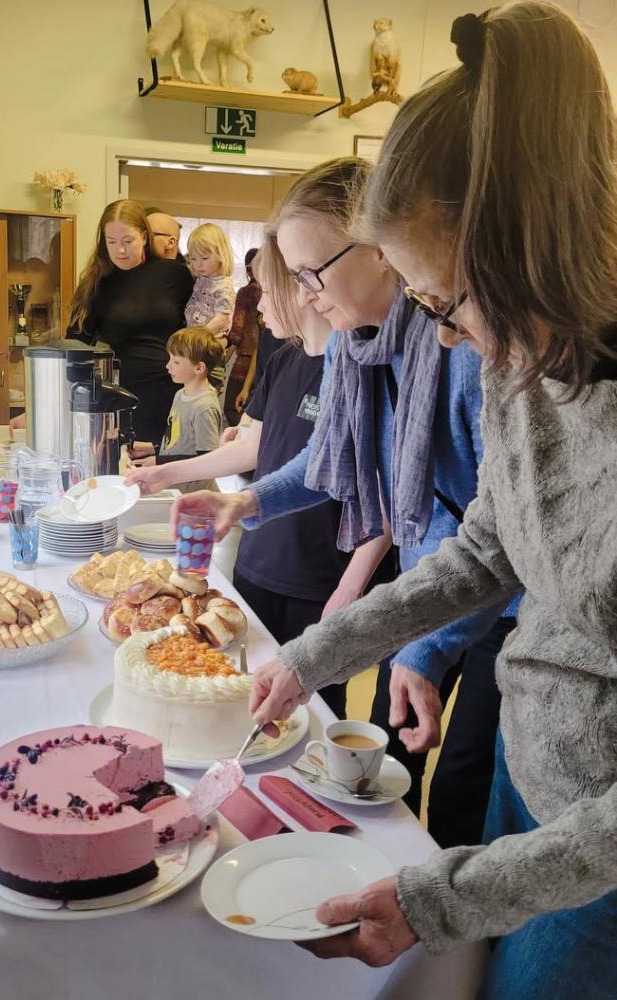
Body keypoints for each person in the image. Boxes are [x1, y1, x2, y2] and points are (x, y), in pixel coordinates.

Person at [247, 5, 617, 997]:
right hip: (524, 757)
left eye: (442, 302)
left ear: (523, 244)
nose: (442, 341)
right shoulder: (521, 368)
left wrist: (437, 899)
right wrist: (311, 655)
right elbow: (477, 554)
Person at [172, 156, 518, 845]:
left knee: (464, 789)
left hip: (504, 609)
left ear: (383, 253)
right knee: (397, 759)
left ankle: (455, 939)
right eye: (295, 278)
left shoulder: (461, 348)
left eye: (311, 274)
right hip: (432, 590)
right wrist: (249, 503)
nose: (303, 294)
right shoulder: (358, 351)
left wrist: (428, 646)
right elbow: (331, 463)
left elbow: (497, 535)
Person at [127, 239, 388, 707]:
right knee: (239, 690)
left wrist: (354, 583)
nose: (259, 304)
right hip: (260, 559)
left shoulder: (363, 368)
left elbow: (384, 486)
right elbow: (254, 447)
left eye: (265, 290)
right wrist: (167, 473)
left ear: (302, 289)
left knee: (313, 711)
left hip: (321, 575)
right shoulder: (285, 360)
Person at [66, 199, 193, 446]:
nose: (120, 251)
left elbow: (199, 328)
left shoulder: (175, 274)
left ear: (144, 237)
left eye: (128, 241)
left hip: (174, 391)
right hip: (121, 397)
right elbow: (74, 346)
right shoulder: (97, 284)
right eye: (111, 242)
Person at [128, 326, 223, 492]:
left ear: (199, 368)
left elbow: (207, 459)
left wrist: (159, 462)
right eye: (170, 359)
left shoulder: (204, 408)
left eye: (176, 362)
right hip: (174, 486)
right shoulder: (180, 394)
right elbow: (180, 441)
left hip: (194, 494)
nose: (167, 366)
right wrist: (152, 448)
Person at [185, 223, 236, 392]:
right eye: (193, 259)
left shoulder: (223, 285)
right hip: (196, 342)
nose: (198, 264)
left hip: (210, 344)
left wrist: (199, 335)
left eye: (205, 258)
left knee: (208, 390)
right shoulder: (202, 279)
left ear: (221, 255)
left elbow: (222, 318)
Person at [224, 248, 262, 425]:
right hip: (265, 360)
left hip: (245, 360)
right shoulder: (270, 291)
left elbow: (237, 331)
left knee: (233, 409)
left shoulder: (246, 293)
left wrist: (223, 356)